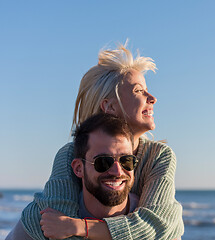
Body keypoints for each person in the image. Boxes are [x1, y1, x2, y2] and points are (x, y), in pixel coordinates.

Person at [18, 44, 184, 240]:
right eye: (139, 91)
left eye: (127, 161)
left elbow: (154, 225)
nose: (152, 98)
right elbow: (56, 226)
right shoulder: (70, 154)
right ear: (110, 106)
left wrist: (80, 227)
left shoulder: (159, 156)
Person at [7, 113, 140, 239]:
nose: (117, 171)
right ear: (78, 168)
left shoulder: (145, 219)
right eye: (103, 162)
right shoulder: (45, 221)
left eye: (126, 160)